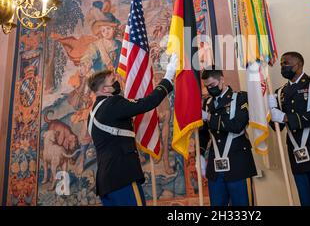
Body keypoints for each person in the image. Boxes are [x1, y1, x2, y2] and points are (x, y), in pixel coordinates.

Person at [86, 53, 177, 206]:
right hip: (122, 178)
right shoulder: (112, 104)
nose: (116, 84)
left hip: (105, 182)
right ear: (105, 89)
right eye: (113, 81)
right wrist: (168, 77)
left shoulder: (93, 112)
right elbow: (147, 103)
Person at [269, 52, 310, 206]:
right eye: (281, 64)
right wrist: (269, 110)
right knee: (306, 202)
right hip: (297, 155)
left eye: (286, 63)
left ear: (298, 64)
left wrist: (285, 117)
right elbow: (277, 127)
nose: (282, 67)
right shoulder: (279, 93)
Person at [199, 67, 257, 206]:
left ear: (222, 79)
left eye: (212, 85)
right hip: (216, 166)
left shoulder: (240, 97)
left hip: (238, 164)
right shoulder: (207, 103)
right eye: (207, 87)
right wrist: (200, 154)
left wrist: (209, 117)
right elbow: (204, 133)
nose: (210, 89)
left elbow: (237, 126)